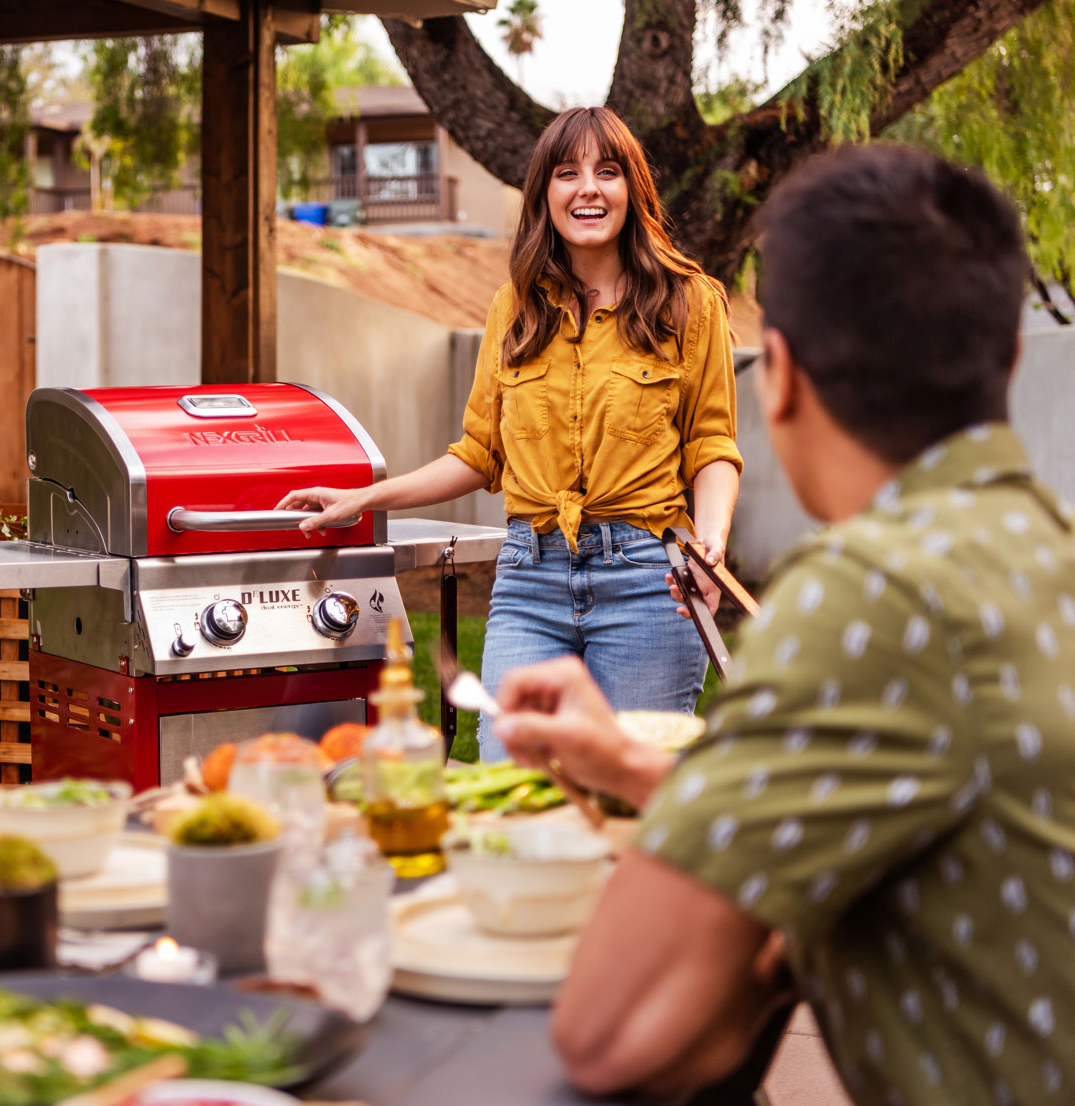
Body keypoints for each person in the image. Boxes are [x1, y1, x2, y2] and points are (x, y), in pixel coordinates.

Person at [494, 142, 1075, 1106]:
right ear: (1007, 355)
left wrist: (773, 933)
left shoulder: (868, 597)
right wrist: (630, 765)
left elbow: (608, 1032)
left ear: (782, 377)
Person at [277, 107, 741, 761]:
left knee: (626, 801)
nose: (588, 189)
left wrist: (712, 543)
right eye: (567, 172)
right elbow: (479, 452)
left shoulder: (690, 302)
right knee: (509, 787)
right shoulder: (514, 308)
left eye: (607, 172)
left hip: (646, 580)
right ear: (543, 194)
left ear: (633, 189)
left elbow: (712, 444)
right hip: (531, 579)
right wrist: (363, 496)